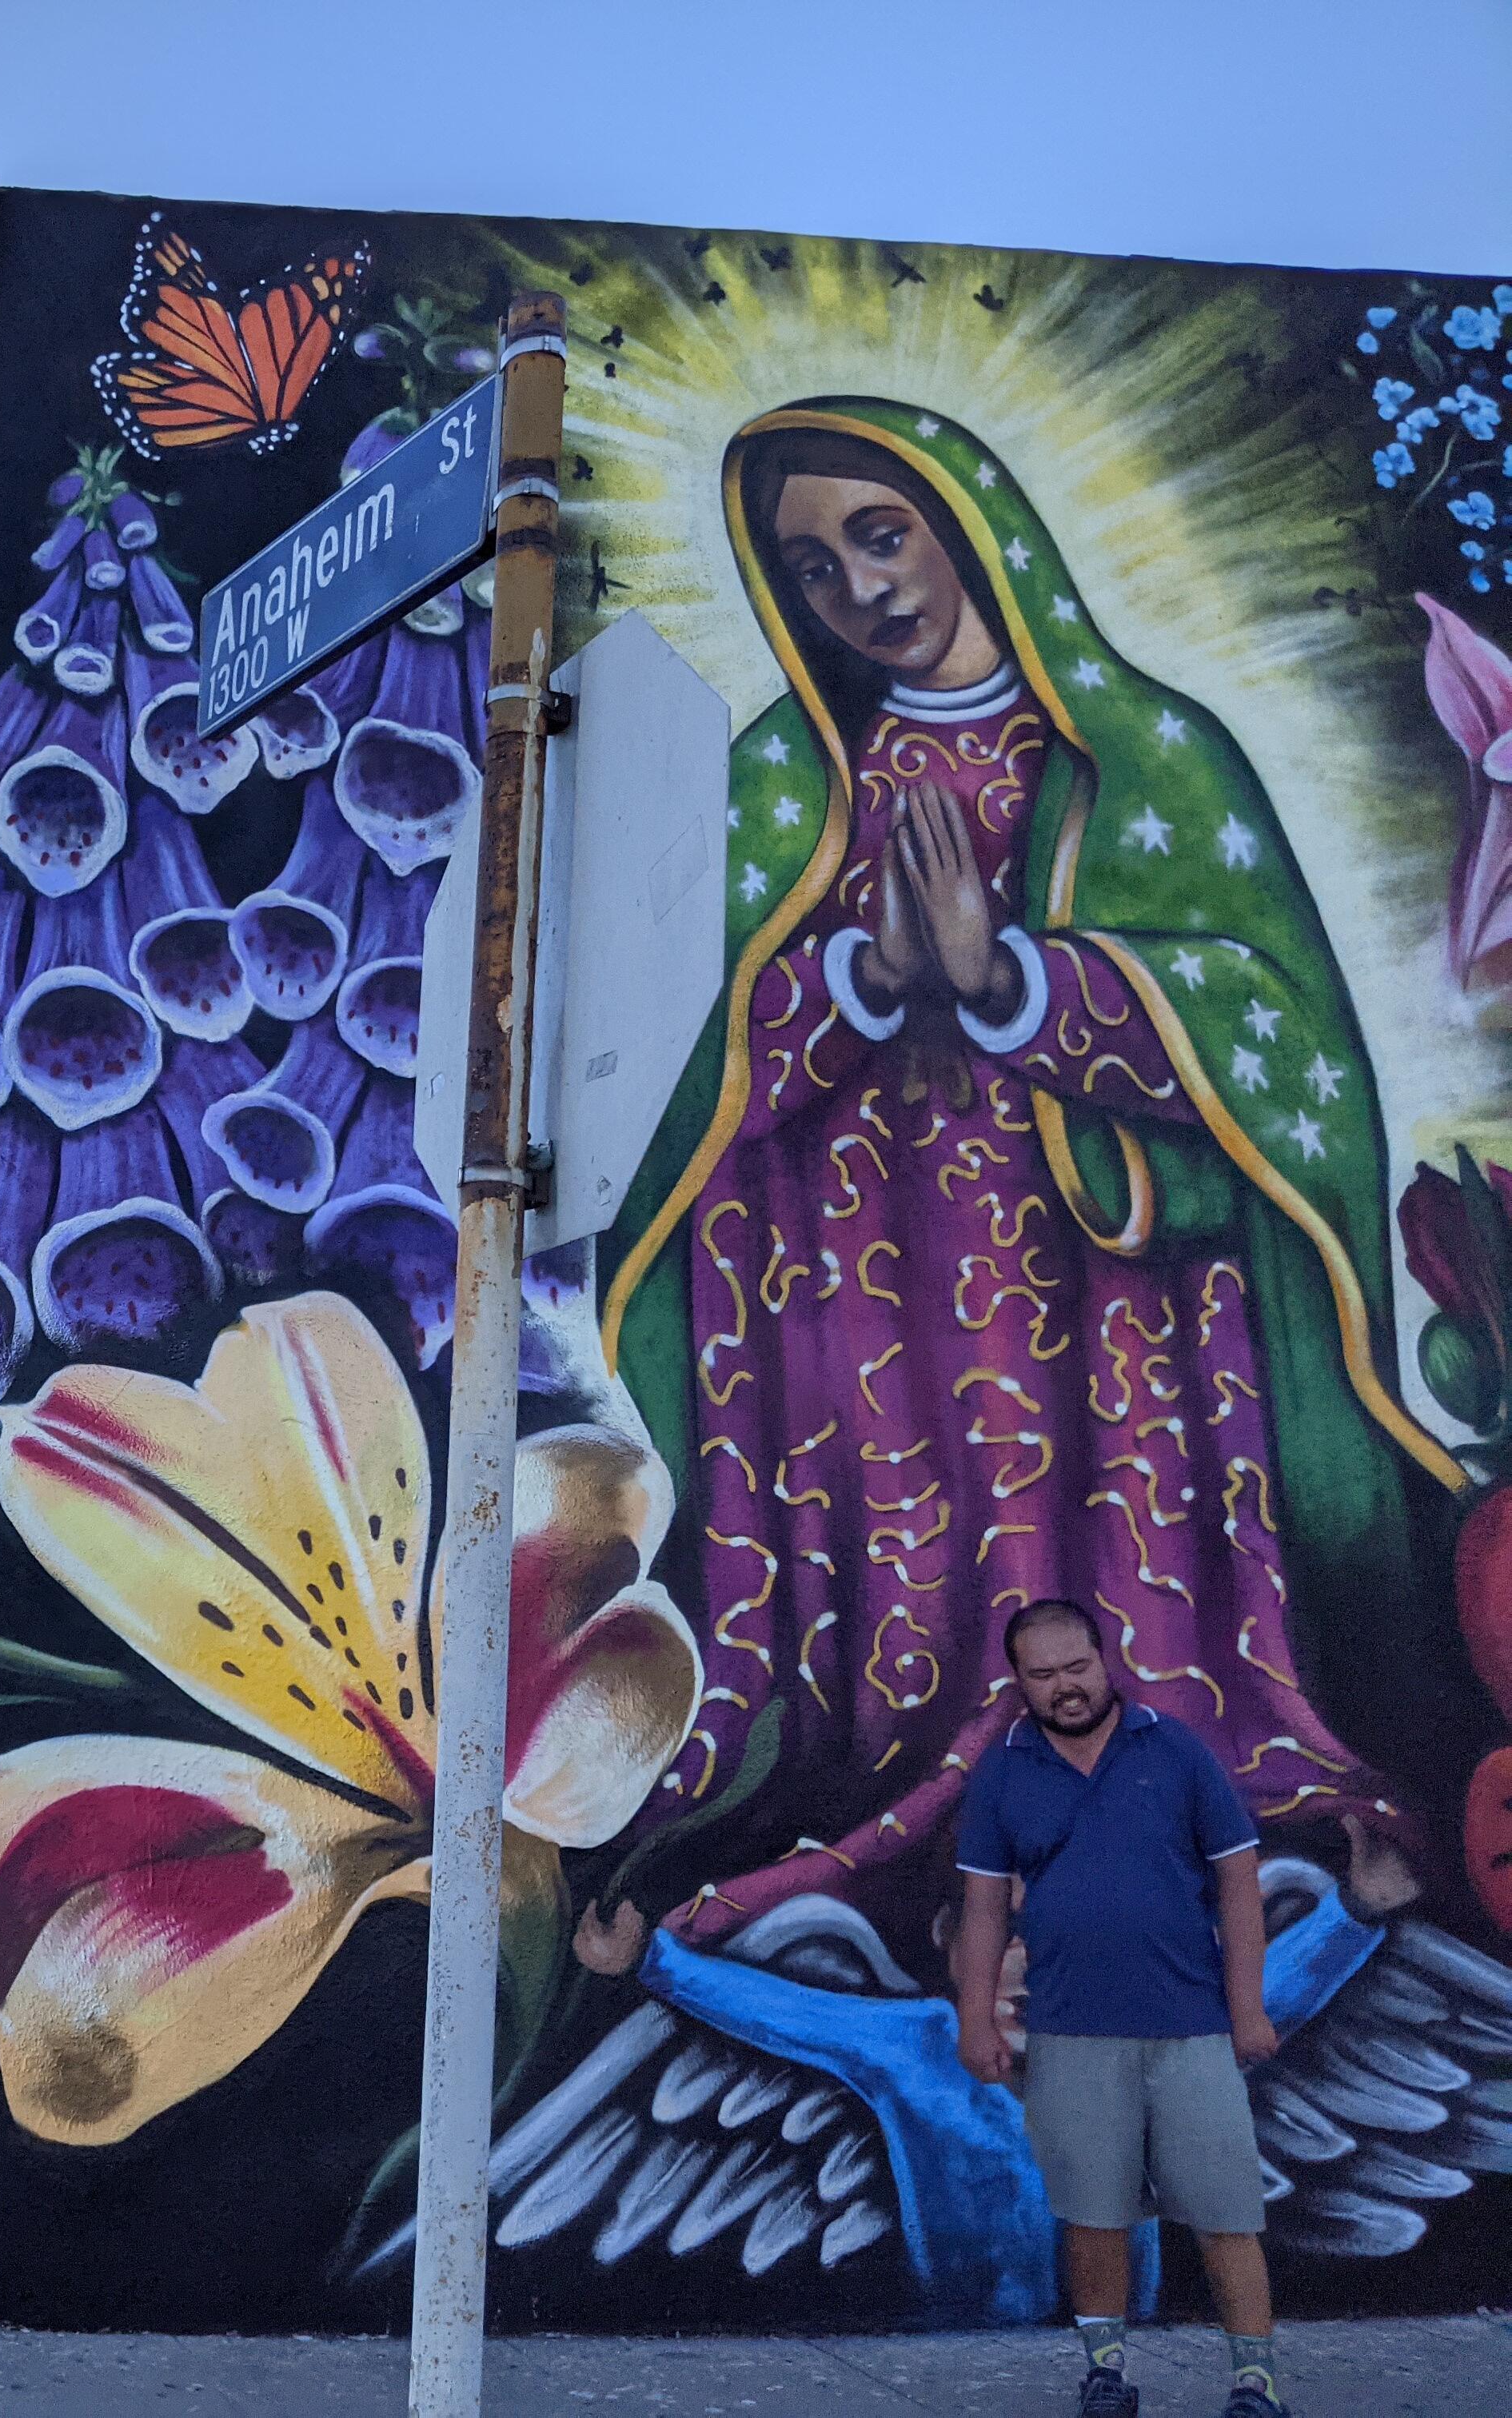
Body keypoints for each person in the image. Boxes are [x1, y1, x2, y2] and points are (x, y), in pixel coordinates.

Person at [596, 398, 1450, 1965]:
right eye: (811, 566)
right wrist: (859, 974)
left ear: (969, 526)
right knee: (921, 1590)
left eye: (880, 534)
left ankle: (1230, 1810)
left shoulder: (1142, 756)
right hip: (872, 1293)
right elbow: (688, 1062)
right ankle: (917, 1832)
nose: (860, 591)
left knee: (1110, 1551)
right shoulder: (791, 781)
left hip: (1107, 1281)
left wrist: (1018, 990)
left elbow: (1266, 1020)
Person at [953, 1597, 1282, 2418]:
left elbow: (1239, 1881)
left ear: (1106, 1660)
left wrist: (1248, 2008)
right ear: (1018, 1683)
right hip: (1068, 2031)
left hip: (1193, 2027)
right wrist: (974, 2017)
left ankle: (1256, 2386)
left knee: (1224, 2213)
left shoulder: (1176, 1751)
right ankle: (1106, 2376)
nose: (1065, 1686)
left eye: (1077, 1667)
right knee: (1093, 2214)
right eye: (1043, 1675)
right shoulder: (1001, 1772)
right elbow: (985, 1909)